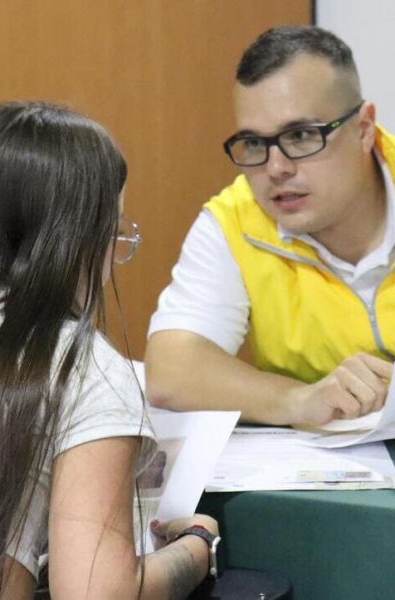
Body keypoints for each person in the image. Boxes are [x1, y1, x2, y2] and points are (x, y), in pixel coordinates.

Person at [0, 100, 218, 600]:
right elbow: (97, 590)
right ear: (80, 239)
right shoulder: (84, 369)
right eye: (113, 230)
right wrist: (197, 546)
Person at [145, 24, 395, 427]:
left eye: (301, 135)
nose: (276, 168)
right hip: (330, 461)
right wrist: (299, 400)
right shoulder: (237, 220)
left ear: (363, 129)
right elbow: (172, 370)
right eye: (255, 144)